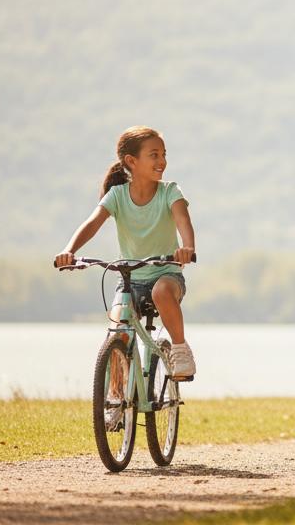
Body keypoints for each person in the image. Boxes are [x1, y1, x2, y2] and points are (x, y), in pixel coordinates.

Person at [54, 126, 198, 429]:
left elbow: (183, 219)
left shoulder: (170, 191)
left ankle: (181, 349)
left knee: (161, 292)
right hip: (129, 277)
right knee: (117, 330)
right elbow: (92, 224)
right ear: (131, 162)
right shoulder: (117, 196)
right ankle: (116, 398)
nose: (161, 161)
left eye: (164, 155)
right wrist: (68, 251)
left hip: (166, 272)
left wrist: (187, 248)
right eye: (153, 155)